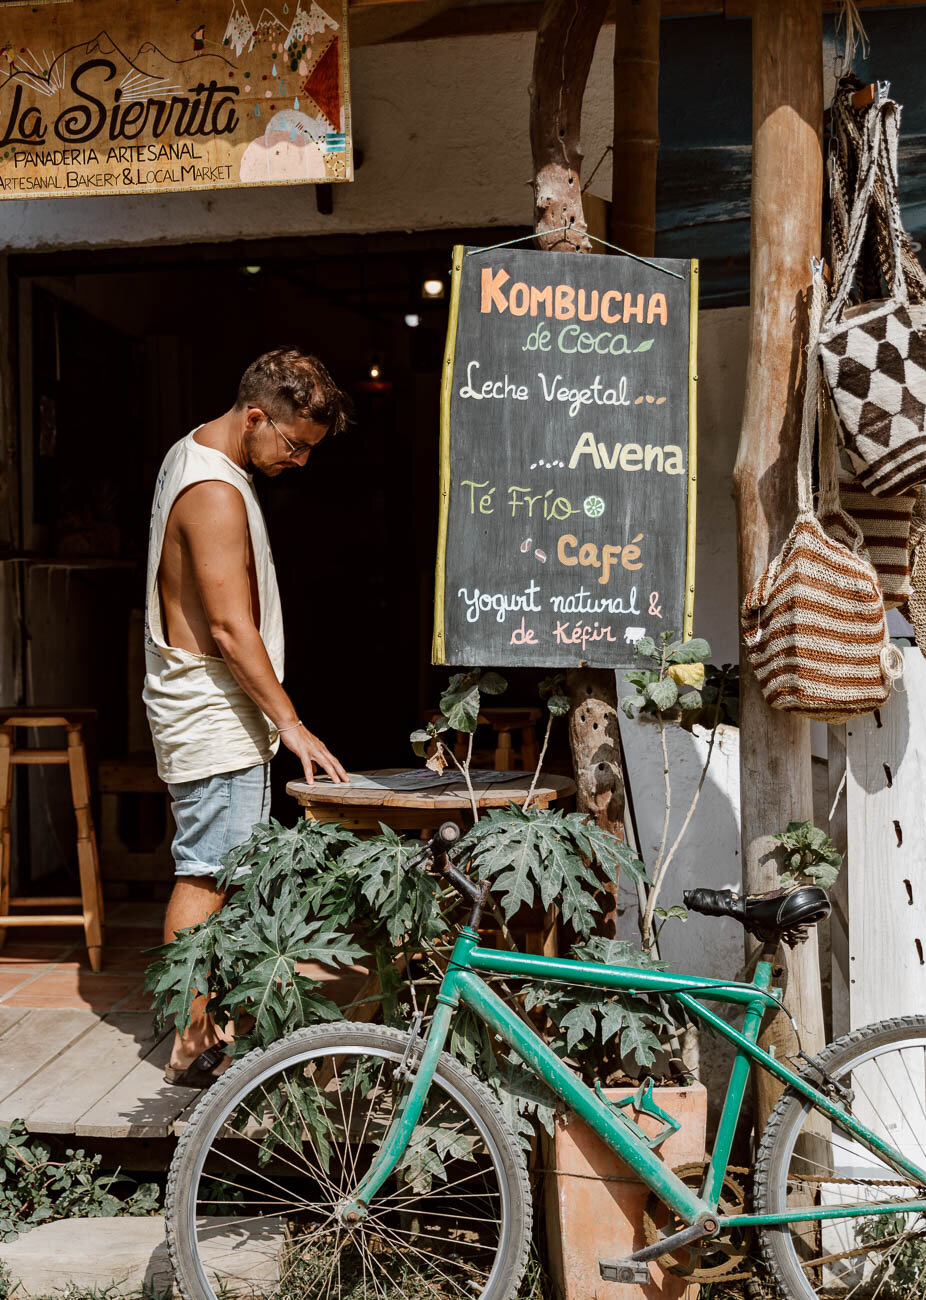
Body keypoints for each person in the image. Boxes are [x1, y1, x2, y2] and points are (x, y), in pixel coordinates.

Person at [144, 347, 351, 1087]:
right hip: (211, 714)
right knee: (207, 874)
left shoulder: (196, 454)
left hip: (209, 710)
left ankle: (208, 1025)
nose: (297, 461)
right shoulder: (215, 490)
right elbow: (231, 628)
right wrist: (291, 724)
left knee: (218, 871)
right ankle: (191, 1042)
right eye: (293, 444)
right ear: (256, 416)